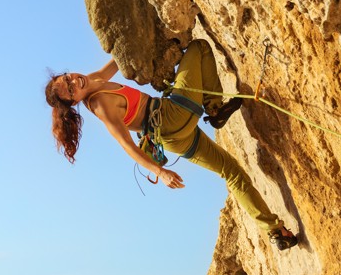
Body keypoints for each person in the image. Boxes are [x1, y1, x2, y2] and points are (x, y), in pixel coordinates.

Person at [44, 38, 298, 250]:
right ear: (74, 102)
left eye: (67, 78)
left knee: (231, 171)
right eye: (70, 90)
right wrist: (160, 172)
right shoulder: (100, 104)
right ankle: (215, 108)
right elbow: (127, 145)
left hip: (173, 139)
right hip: (172, 116)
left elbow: (120, 58)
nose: (74, 82)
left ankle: (276, 232)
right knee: (199, 48)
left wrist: (130, 36)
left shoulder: (92, 80)